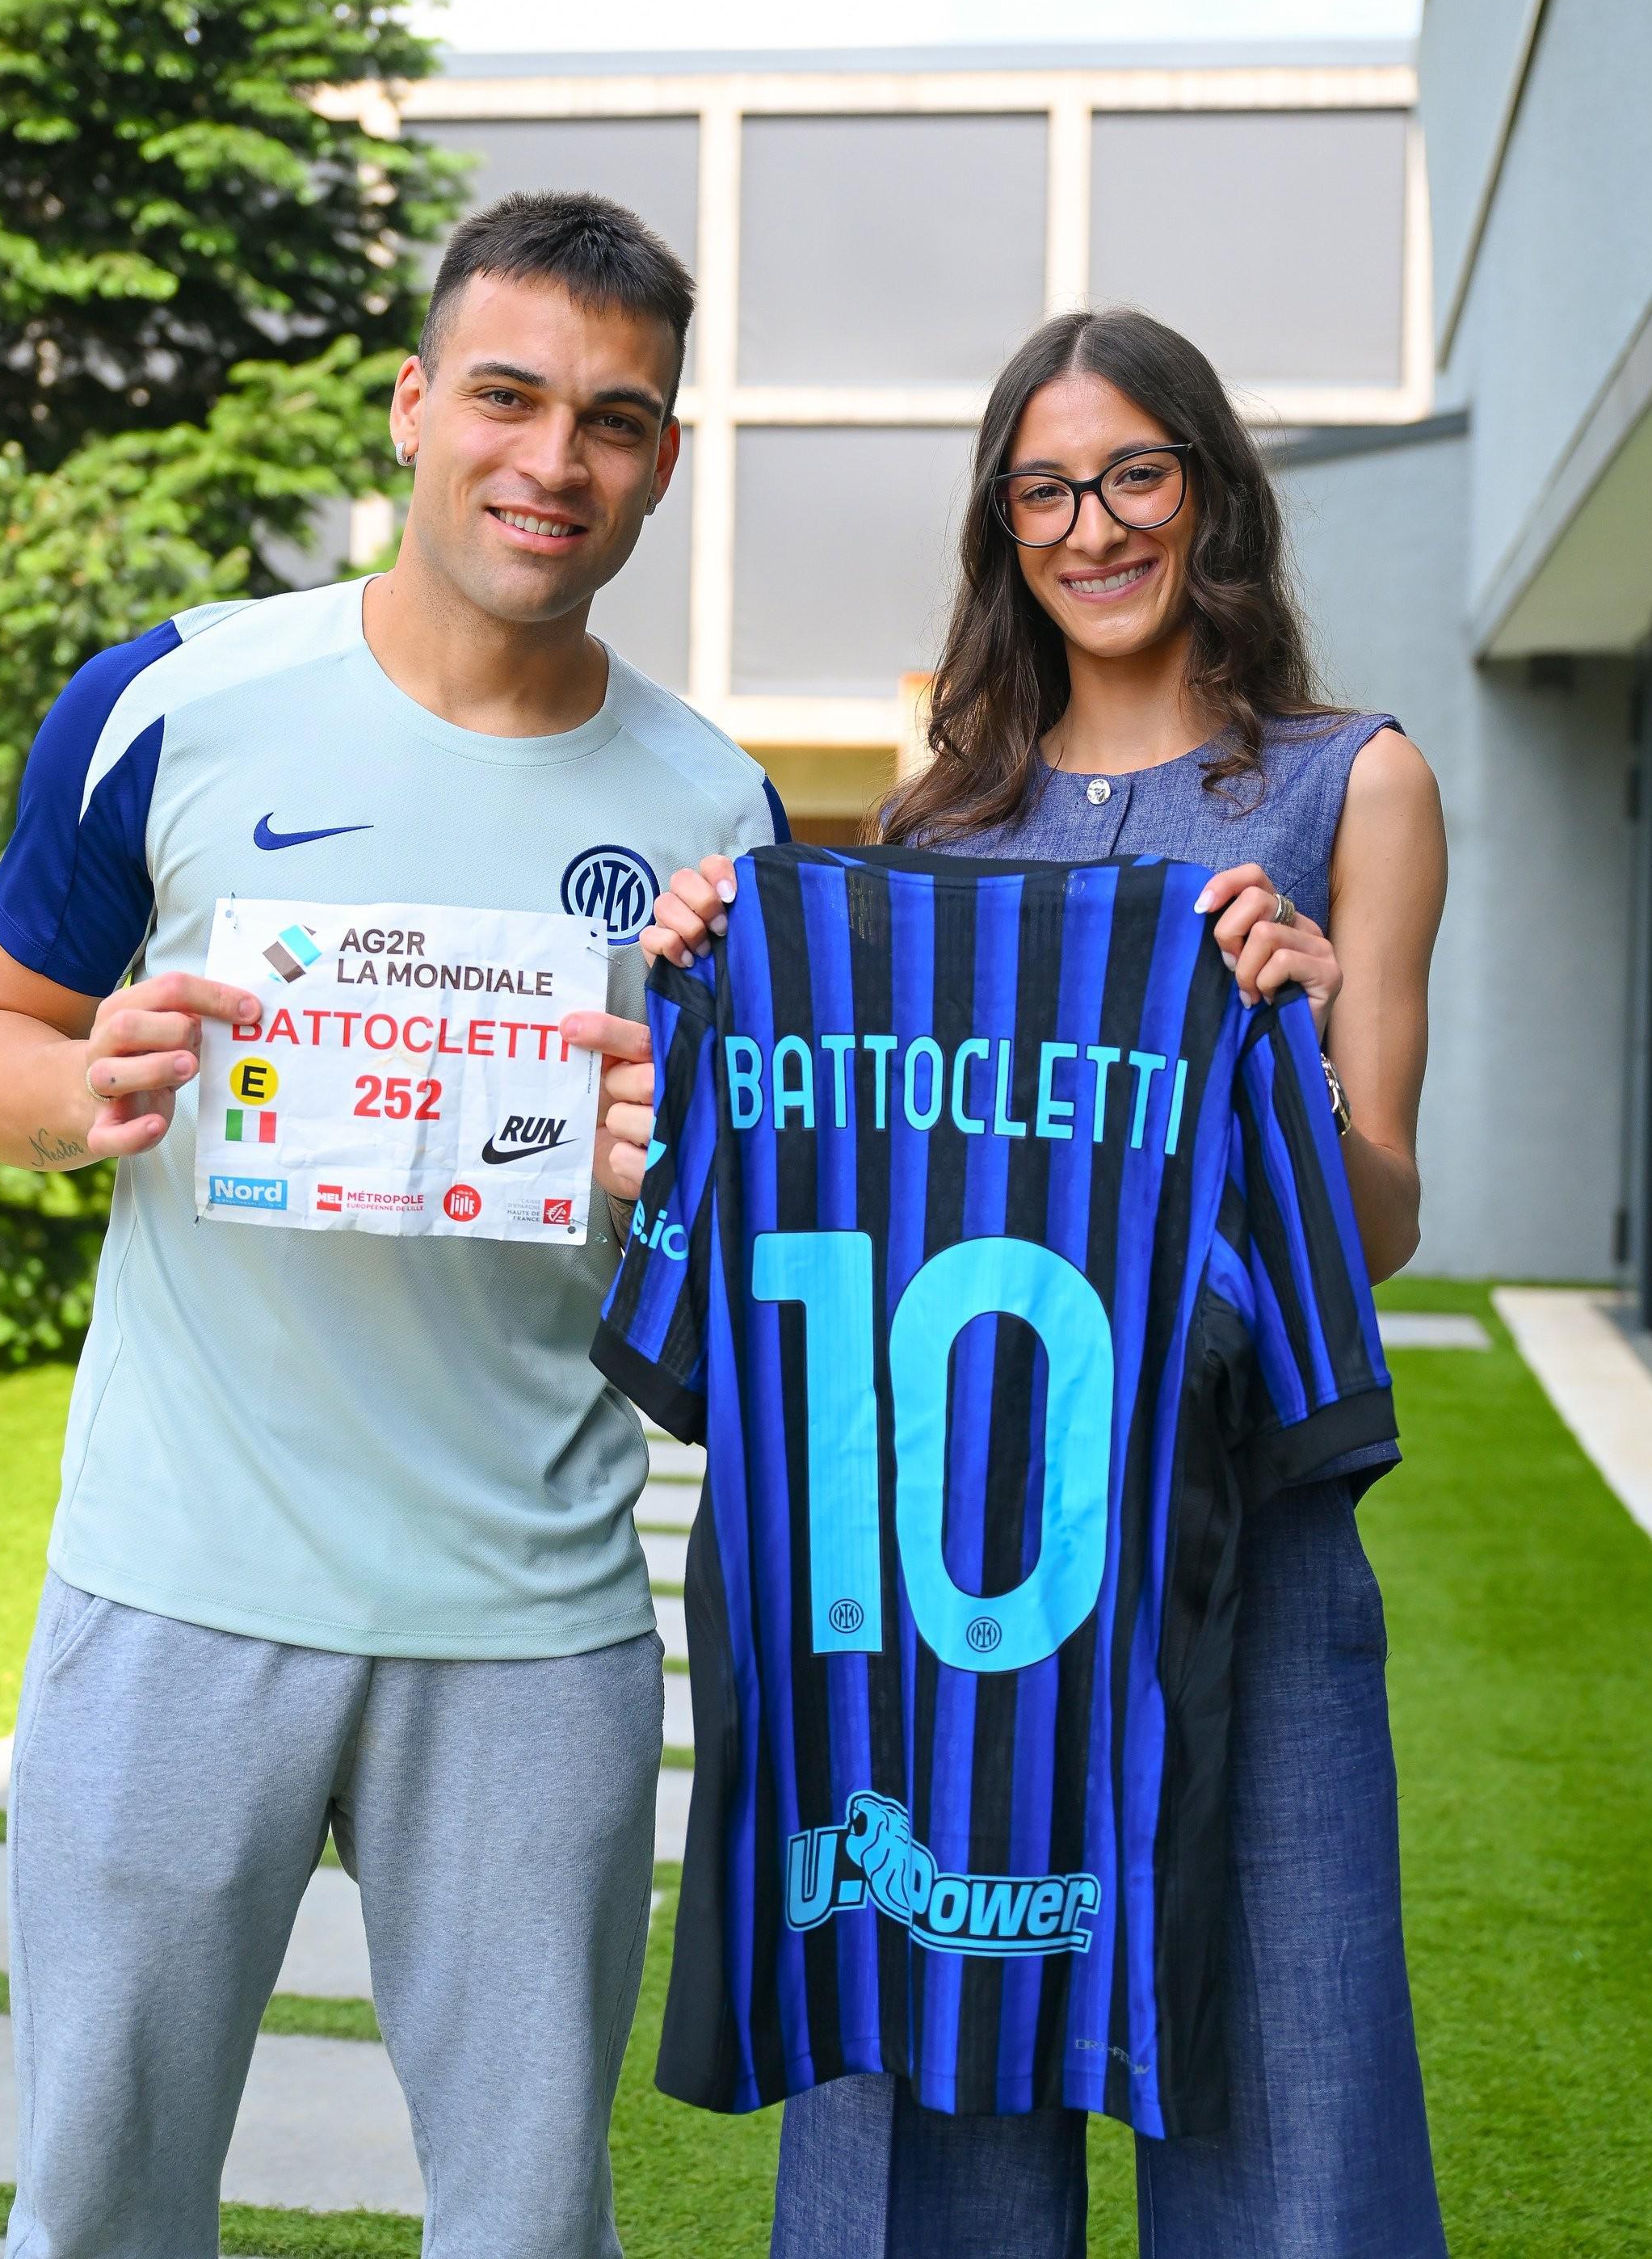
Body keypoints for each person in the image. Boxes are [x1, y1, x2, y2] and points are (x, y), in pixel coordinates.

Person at [0, 189, 786, 2259]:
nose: (552, 459)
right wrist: (83, 1089)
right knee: (101, 2204)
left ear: (663, 459)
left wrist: (675, 1171)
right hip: (177, 1585)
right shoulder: (170, 701)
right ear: (413, 406)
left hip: (530, 1621)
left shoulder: (720, 820)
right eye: (506, 396)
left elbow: (748, 1261)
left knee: (526, 2222)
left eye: (613, 419)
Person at [638, 305, 1449, 2259]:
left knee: (1292, 2132)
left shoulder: (1352, 786)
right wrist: (710, 974)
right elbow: (818, 1180)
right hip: (957, 1588)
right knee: (931, 2129)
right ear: (1003, 529)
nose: (1094, 528)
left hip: (1245, 1563)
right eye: (1044, 492)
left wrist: (1299, 1030)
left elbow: (1381, 1221)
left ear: (1211, 489)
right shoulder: (941, 827)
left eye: (1133, 475)